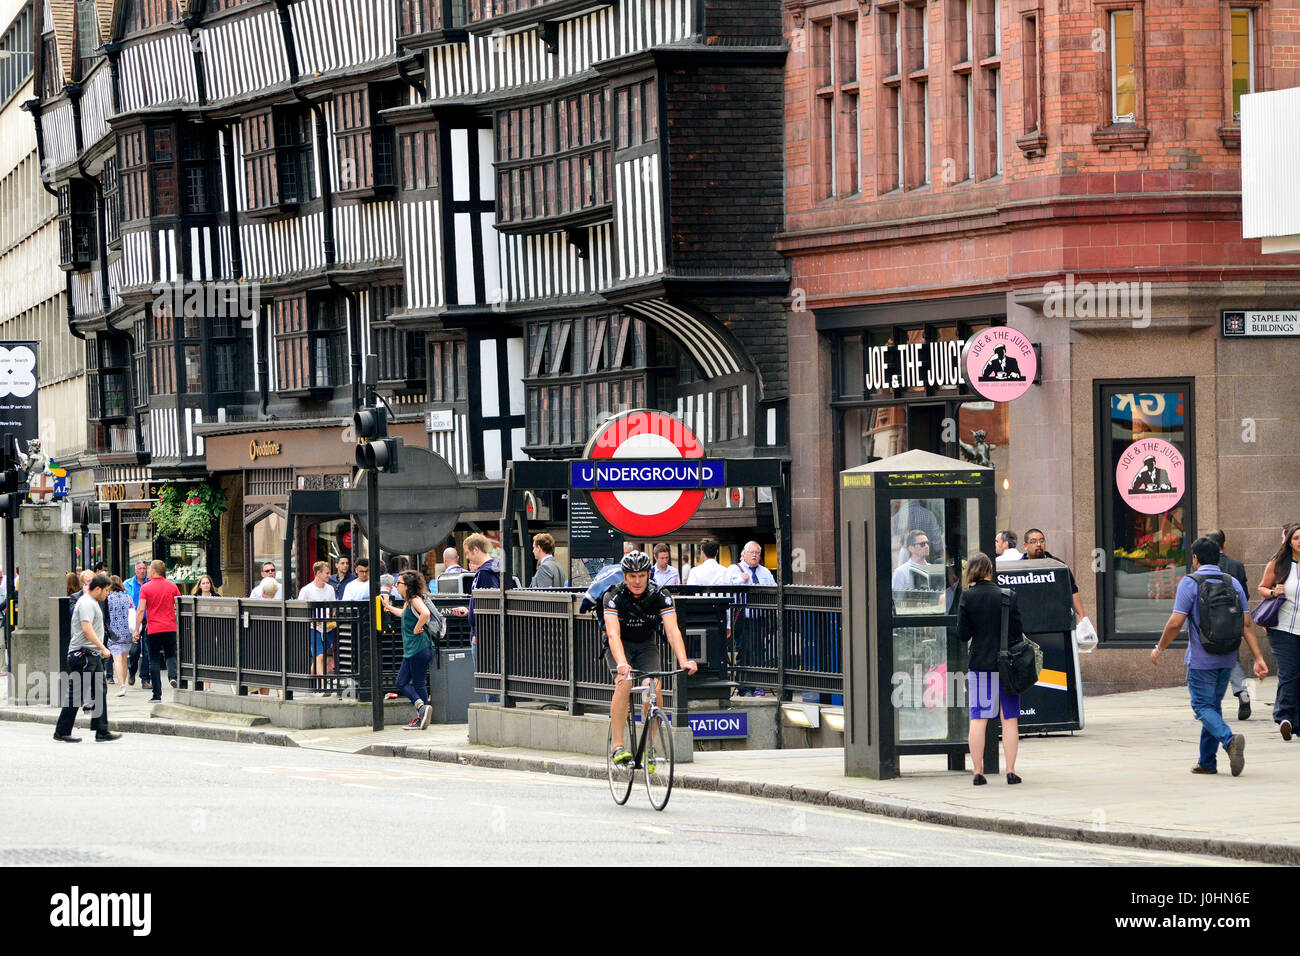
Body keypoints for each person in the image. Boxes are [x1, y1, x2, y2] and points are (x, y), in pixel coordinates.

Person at [1152, 537, 1268, 775]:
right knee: (1212, 707)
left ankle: (1229, 740)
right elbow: (1246, 624)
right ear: (1219, 556)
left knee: (1201, 706)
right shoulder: (1232, 582)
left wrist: (1159, 648)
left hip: (1202, 658)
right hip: (1227, 656)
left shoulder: (1190, 582)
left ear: (1195, 559)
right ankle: (1207, 762)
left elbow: (1175, 622)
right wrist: (1259, 658)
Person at [604, 550, 698, 766]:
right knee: (624, 683)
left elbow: (673, 630)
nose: (637, 581)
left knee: (654, 687)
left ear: (649, 575)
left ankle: (650, 747)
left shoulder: (660, 595)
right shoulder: (613, 596)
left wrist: (683, 660)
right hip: (620, 645)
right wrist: (621, 662)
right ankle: (618, 746)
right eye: (632, 577)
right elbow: (612, 634)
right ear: (625, 577)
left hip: (646, 644)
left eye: (642, 576)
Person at [957, 552, 1023, 785]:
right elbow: (1017, 631)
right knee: (1010, 719)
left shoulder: (967, 597)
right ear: (990, 571)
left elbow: (963, 634)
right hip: (1007, 665)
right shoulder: (1008, 596)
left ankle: (977, 772)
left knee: (979, 718)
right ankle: (1011, 771)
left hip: (980, 664)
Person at [54, 573, 120, 743]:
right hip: (83, 655)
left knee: (99, 691)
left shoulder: (92, 602)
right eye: (106, 591)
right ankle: (62, 731)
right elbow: (86, 629)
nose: (107, 594)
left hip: (91, 655)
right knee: (76, 694)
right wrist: (103, 647)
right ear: (97, 589)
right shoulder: (86, 603)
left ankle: (101, 730)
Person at [381, 571, 444, 730]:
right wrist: (387, 606)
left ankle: (421, 712)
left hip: (419, 648)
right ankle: (422, 712)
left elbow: (425, 613)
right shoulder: (408, 601)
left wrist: (417, 627)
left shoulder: (415, 599)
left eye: (399, 583)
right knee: (406, 682)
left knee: (412, 683)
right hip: (414, 649)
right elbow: (403, 614)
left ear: (407, 586)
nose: (397, 586)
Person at [1259, 523, 1300, 741]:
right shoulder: (1279, 564)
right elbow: (1262, 588)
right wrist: (1274, 591)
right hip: (1283, 629)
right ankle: (1285, 717)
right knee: (1289, 672)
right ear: (1289, 542)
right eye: (1296, 538)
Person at [1206, 529, 1251, 719]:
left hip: (1208, 622)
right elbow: (1245, 596)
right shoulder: (1237, 566)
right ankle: (1242, 692)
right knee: (1232, 657)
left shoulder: (1201, 567)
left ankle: (1206, 703)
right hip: (1233, 620)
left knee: (1205, 660)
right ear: (1224, 544)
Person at [449, 534, 500, 700]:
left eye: (468, 553)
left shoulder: (485, 573)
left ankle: (492, 718)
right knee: (491, 678)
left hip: (483, 635)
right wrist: (469, 611)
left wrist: (478, 633)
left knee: (488, 678)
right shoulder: (495, 569)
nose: (467, 557)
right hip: (488, 633)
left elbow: (486, 606)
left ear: (476, 549)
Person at [132, 560, 181, 702]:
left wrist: (136, 629)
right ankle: (173, 676)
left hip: (153, 628)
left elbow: (141, 610)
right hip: (170, 626)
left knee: (153, 660)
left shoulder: (146, 588)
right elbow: (178, 604)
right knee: (171, 655)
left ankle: (157, 695)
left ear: (153, 571)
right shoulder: (172, 586)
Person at [1022, 528, 1087, 622]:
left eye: (1042, 541)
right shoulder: (1019, 567)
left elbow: (1072, 591)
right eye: (1033, 542)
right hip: (1030, 619)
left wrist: (1082, 616)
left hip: (1055, 619)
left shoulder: (1058, 566)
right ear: (1025, 546)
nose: (1039, 544)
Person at [297, 561, 338, 689]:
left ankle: (310, 680)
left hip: (328, 627)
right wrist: (312, 619)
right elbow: (299, 609)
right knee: (320, 655)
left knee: (320, 656)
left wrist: (333, 616)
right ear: (318, 573)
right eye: (327, 573)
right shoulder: (306, 590)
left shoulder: (330, 589)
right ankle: (323, 684)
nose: (329, 576)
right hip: (313, 628)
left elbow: (333, 608)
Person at [105, 577, 135, 698]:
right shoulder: (128, 598)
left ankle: (122, 685)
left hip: (114, 633)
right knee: (124, 658)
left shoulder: (108, 599)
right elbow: (133, 613)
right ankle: (123, 685)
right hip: (127, 632)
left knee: (116, 659)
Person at [124, 560, 151, 688]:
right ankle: (132, 671)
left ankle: (145, 679)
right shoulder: (128, 584)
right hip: (133, 620)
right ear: (135, 570)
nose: (142, 571)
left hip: (147, 620)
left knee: (147, 650)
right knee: (135, 650)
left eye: (144, 568)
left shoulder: (150, 584)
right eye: (140, 568)